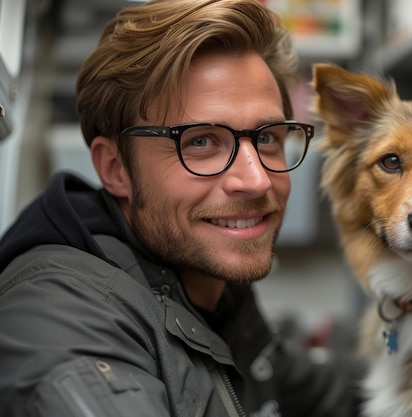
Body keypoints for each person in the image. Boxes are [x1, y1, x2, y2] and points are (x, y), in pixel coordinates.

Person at [0, 0, 361, 416]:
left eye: (267, 138)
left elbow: (321, 391)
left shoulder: (212, 294)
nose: (257, 179)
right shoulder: (61, 326)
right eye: (201, 142)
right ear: (116, 168)